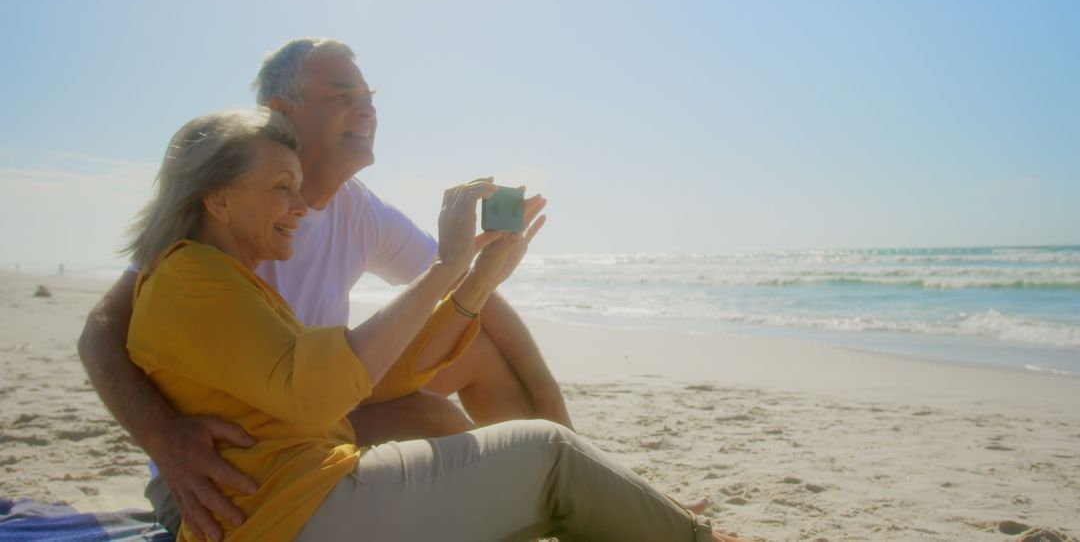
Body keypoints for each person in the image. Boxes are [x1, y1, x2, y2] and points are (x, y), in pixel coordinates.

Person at [126, 108, 739, 541]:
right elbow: (319, 392)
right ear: (217, 198)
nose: (298, 206)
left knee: (536, 476)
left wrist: (476, 280)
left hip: (294, 507)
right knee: (550, 455)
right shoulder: (191, 277)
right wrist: (446, 264)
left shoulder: (222, 278)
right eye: (281, 189)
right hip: (293, 514)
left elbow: (372, 381)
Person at [78, 38, 571, 540]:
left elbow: (471, 292)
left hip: (317, 409)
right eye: (342, 95)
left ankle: (549, 489)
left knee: (468, 357)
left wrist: (559, 423)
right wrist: (165, 441)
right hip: (224, 463)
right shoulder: (222, 214)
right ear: (281, 112)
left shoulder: (357, 207)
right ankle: (529, 495)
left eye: (370, 96)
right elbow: (100, 334)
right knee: (432, 414)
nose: (368, 109)